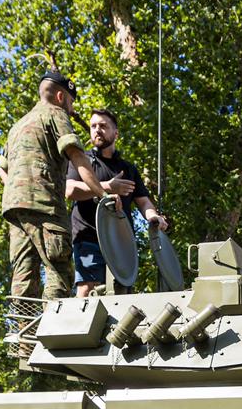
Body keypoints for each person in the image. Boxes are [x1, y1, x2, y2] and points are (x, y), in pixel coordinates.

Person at [0, 69, 107, 302]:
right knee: (59, 271)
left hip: (14, 208)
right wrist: (103, 194)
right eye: (70, 102)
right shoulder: (56, 114)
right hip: (46, 206)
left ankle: (24, 337)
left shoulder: (17, 126)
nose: (72, 108)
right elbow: (77, 156)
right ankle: (55, 334)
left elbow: (2, 169)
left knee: (23, 276)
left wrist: (18, 190)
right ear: (60, 97)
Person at [64, 109, 170, 297]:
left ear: (116, 133)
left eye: (103, 126)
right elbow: (70, 190)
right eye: (93, 126)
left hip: (120, 244)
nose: (97, 130)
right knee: (88, 289)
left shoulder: (127, 168)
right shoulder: (82, 161)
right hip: (88, 238)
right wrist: (107, 187)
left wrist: (153, 216)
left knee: (121, 294)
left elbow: (144, 202)